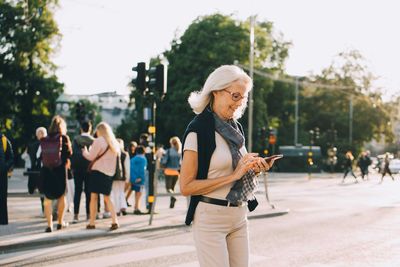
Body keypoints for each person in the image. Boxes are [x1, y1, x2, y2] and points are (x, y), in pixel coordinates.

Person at [179, 65, 275, 267]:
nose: (240, 103)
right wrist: (234, 175)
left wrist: (253, 168)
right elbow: (186, 186)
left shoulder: (235, 129)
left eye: (244, 98)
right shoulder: (198, 130)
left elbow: (236, 168)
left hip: (239, 216)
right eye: (235, 96)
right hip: (210, 218)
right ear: (216, 92)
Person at [82, 122, 119, 230]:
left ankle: (92, 222)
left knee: (93, 197)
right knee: (107, 198)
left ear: (100, 131)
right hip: (109, 174)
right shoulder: (114, 143)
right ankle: (114, 220)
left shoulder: (99, 141)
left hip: (97, 172)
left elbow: (91, 157)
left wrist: (85, 151)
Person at [40, 116, 72, 232]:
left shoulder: (45, 138)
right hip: (60, 170)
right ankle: (59, 222)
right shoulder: (64, 138)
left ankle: (49, 225)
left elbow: (41, 156)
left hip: (47, 170)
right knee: (61, 196)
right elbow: (69, 153)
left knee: (47, 199)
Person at [71, 121, 95, 223]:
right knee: (89, 192)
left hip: (77, 169)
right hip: (90, 169)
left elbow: (71, 154)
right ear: (90, 129)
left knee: (78, 191)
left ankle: (76, 216)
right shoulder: (93, 140)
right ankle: (88, 215)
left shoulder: (76, 140)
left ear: (81, 129)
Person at [161, 136, 182, 208]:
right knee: (172, 188)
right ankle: (172, 203)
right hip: (176, 172)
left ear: (171, 143)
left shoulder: (169, 151)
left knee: (168, 188)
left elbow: (164, 161)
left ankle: (173, 197)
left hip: (168, 171)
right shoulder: (180, 151)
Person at [111, 138, 130, 216]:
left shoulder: (113, 152)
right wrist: (127, 177)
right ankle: (123, 207)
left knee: (115, 192)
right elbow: (127, 167)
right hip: (123, 175)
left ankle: (117, 209)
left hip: (114, 175)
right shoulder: (125, 154)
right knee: (121, 191)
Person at [0, 131, 14, 225]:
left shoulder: (4, 140)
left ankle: (2, 220)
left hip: (2, 174)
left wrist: (4, 167)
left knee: (2, 197)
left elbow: (11, 157)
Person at [130, 145, 147, 214]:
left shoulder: (132, 159)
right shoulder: (143, 159)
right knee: (139, 194)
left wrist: (133, 178)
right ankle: (136, 207)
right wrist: (141, 178)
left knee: (136, 193)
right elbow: (143, 169)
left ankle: (135, 206)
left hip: (133, 178)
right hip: (140, 179)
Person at [125, 141, 138, 207]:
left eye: (135, 146)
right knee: (127, 187)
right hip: (128, 172)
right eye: (133, 146)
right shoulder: (128, 154)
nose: (134, 148)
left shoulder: (136, 154)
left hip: (133, 172)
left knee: (132, 188)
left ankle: (125, 199)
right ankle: (122, 199)